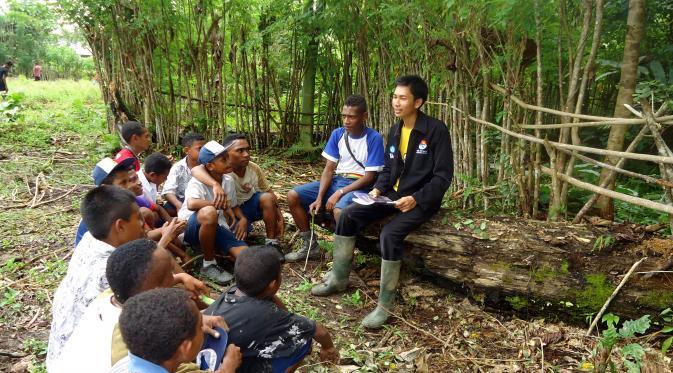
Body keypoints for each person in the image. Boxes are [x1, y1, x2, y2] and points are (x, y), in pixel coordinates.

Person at [311, 75, 454, 329]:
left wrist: (416, 198)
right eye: (394, 96)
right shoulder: (396, 129)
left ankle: (384, 306)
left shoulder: (435, 130)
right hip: (394, 196)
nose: (396, 102)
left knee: (389, 234)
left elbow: (443, 177)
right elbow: (388, 169)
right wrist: (377, 190)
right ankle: (338, 278)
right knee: (348, 215)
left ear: (418, 102)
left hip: (421, 200)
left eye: (402, 98)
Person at [47, 186, 200, 365]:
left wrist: (179, 278)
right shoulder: (108, 272)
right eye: (139, 219)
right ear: (119, 226)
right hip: (97, 359)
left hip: (63, 355)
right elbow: (150, 313)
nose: (144, 225)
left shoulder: (91, 238)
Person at [51, 239, 235, 372]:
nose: (175, 279)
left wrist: (182, 279)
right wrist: (227, 368)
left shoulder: (111, 296)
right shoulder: (144, 351)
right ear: (154, 291)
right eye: (169, 275)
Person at [205, 246, 339, 372]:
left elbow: (273, 301)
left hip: (211, 360)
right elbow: (318, 331)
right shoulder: (268, 314)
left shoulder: (233, 291)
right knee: (304, 342)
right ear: (273, 284)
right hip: (229, 366)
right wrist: (329, 347)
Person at [285, 94, 385, 262]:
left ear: (364, 117)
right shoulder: (338, 134)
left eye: (352, 117)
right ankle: (309, 246)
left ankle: (343, 261)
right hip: (338, 180)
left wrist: (339, 192)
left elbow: (369, 177)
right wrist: (319, 198)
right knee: (293, 195)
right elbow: (329, 169)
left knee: (340, 210)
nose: (346, 120)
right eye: (344, 116)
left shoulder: (373, 138)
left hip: (359, 185)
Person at [191, 134, 284, 249]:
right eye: (240, 151)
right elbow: (196, 169)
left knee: (267, 198)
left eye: (247, 150)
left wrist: (279, 216)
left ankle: (271, 242)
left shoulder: (253, 168)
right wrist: (215, 185)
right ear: (227, 153)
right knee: (234, 242)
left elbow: (269, 192)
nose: (246, 154)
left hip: (244, 209)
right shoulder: (221, 169)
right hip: (229, 214)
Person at [116, 288, 242, 373]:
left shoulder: (133, 353)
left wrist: (196, 319)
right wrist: (227, 369)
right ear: (185, 347)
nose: (204, 326)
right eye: (200, 326)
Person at [178, 140, 248, 284]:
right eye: (224, 160)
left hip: (218, 226)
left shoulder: (227, 180)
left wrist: (242, 219)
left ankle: (222, 255)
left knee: (247, 258)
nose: (229, 162)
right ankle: (208, 264)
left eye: (228, 157)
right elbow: (192, 204)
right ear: (210, 166)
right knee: (209, 212)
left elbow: (233, 205)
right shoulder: (197, 182)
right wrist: (222, 205)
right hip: (192, 228)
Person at [163, 132, 207, 215]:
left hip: (202, 201)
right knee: (167, 208)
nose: (203, 152)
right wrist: (178, 205)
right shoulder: (178, 167)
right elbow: (168, 191)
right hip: (182, 201)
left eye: (205, 149)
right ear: (187, 150)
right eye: (199, 149)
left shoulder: (209, 165)